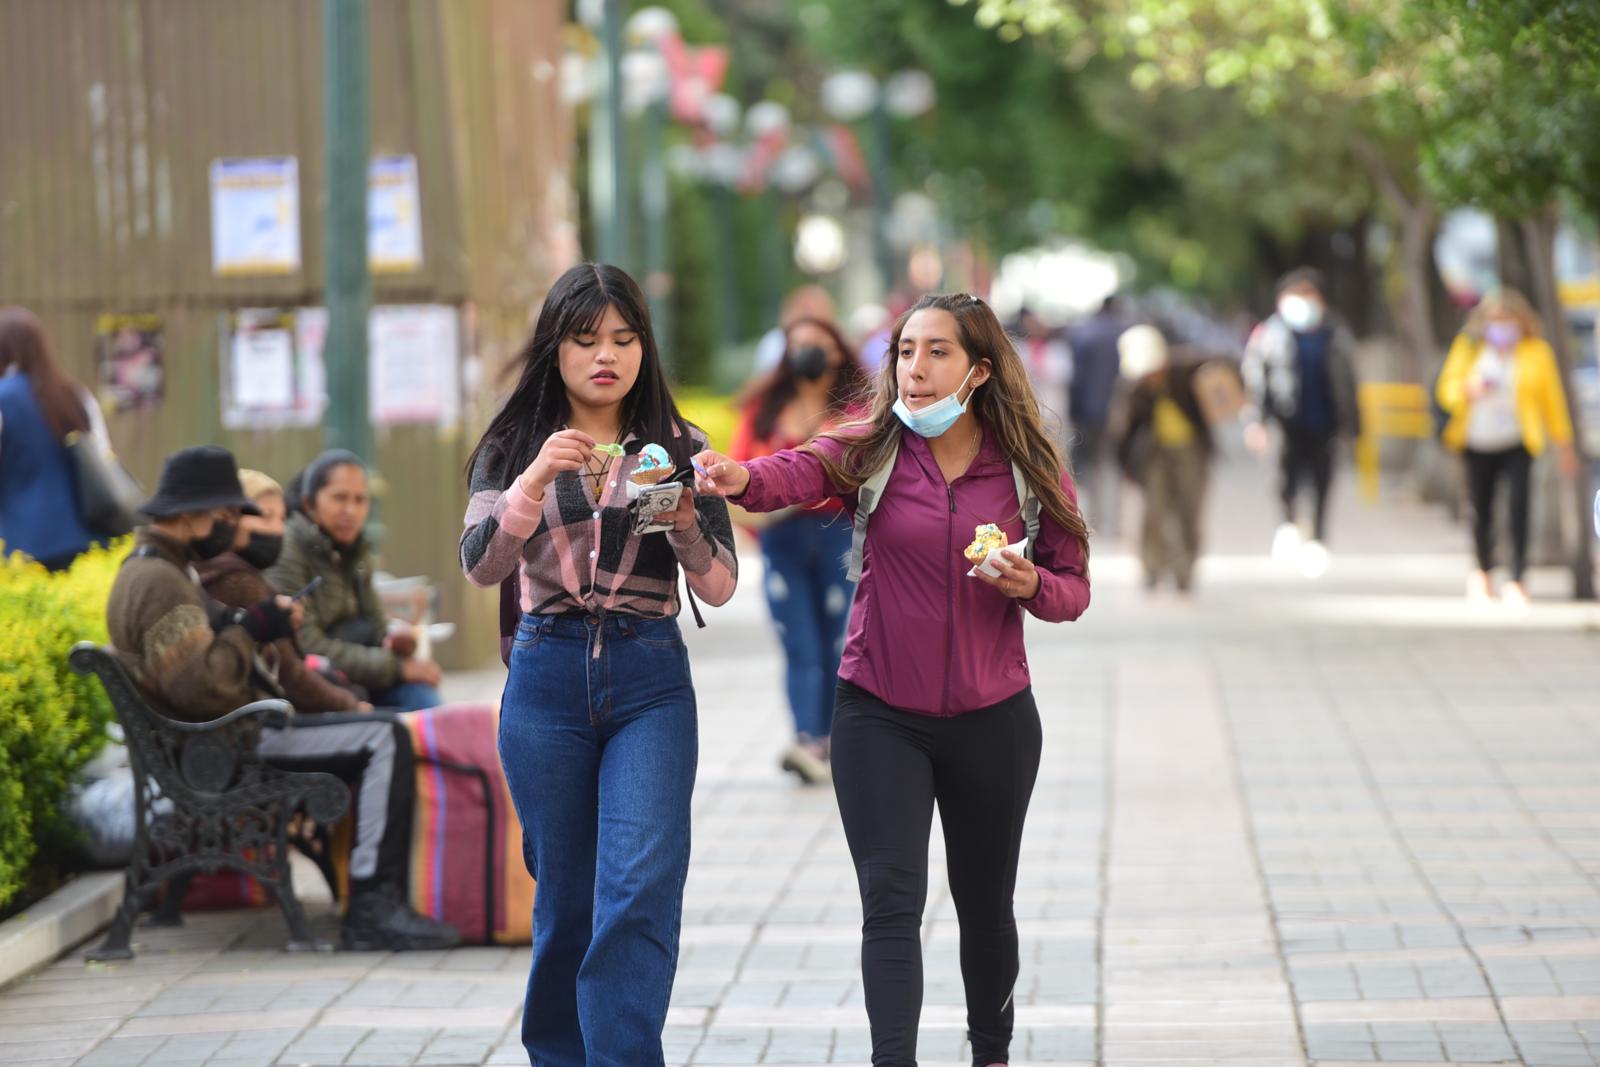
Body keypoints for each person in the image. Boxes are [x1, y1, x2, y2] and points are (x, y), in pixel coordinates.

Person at [694, 292, 1091, 1067]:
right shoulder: (870, 446)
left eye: (937, 351)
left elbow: (1072, 586)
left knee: (985, 907)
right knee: (890, 905)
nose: (915, 367)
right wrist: (737, 477)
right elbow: (794, 471)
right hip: (878, 713)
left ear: (978, 370)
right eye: (906, 350)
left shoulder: (1026, 465)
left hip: (995, 717)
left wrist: (1029, 586)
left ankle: (992, 1054)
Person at [459, 263, 737, 1067]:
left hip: (648, 674)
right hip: (545, 680)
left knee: (639, 887)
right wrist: (537, 477)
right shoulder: (513, 446)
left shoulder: (680, 447)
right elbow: (479, 565)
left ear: (644, 348)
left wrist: (685, 520)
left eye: (623, 338)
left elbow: (717, 585)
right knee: (568, 900)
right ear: (555, 350)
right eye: (585, 341)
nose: (605, 356)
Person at [105, 445, 460, 950]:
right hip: (226, 744)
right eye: (226, 516)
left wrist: (240, 627)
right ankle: (373, 908)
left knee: (382, 730)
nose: (234, 527)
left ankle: (374, 900)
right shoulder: (160, 582)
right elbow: (202, 689)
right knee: (385, 738)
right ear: (188, 516)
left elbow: (198, 669)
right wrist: (251, 628)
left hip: (218, 740)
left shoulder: (159, 569)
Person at [729, 316, 869, 784]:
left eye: (818, 344)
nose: (808, 353)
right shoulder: (766, 409)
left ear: (838, 352)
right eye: (799, 344)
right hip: (782, 538)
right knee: (800, 642)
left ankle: (833, 738)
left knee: (838, 638)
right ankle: (808, 736)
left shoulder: (857, 411)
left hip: (837, 534)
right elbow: (740, 473)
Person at [267, 451, 444, 712]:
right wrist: (397, 668)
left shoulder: (356, 551)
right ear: (310, 503)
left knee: (426, 706)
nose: (351, 510)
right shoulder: (288, 550)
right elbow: (306, 645)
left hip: (360, 679)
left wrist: (397, 639)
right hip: (314, 689)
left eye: (360, 500)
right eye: (339, 498)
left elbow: (377, 624)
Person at [1436, 288, 1578, 603]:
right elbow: (1446, 390)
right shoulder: (1469, 348)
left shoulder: (1536, 352)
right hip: (1476, 441)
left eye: (1508, 320)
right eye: (1495, 320)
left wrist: (1564, 444)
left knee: (1518, 507)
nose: (1501, 327)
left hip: (1517, 441)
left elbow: (1552, 401)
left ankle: (1516, 577)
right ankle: (1483, 572)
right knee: (1479, 510)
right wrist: (1468, 389)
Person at [197, 469, 367, 713]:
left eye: (281, 518)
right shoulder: (237, 580)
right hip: (257, 723)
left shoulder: (228, 571)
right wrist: (353, 707)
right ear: (229, 518)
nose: (277, 530)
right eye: (265, 516)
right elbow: (291, 676)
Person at [1241, 267, 1361, 576]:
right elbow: (1255, 379)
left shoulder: (1335, 333)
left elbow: (1349, 380)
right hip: (1285, 420)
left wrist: (1355, 425)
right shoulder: (1270, 334)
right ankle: (1288, 525)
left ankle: (1319, 536)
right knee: (1283, 478)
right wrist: (1256, 421)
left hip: (1325, 420)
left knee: (1323, 479)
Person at [0, 306, 109, 570]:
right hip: (87, 538)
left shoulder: (3, 398)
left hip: (21, 546)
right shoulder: (74, 393)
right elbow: (103, 454)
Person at [1115, 325, 1219, 593]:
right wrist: (1125, 465)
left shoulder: (1186, 370)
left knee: (1189, 511)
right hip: (1154, 454)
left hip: (1190, 451)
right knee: (1153, 512)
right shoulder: (1134, 387)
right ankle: (1152, 567)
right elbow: (1122, 427)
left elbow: (1223, 364)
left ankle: (1185, 571)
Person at [1064, 294, 1127, 521]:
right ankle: (1116, 521)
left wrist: (1074, 412)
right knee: (1116, 467)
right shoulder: (1126, 333)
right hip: (1122, 412)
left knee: (1090, 467)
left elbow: (1075, 377)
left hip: (1088, 411)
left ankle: (1093, 518)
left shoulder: (1083, 333)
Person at [752, 284, 838, 374]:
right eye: (805, 308)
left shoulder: (836, 343)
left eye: (816, 308)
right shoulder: (775, 342)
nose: (810, 315)